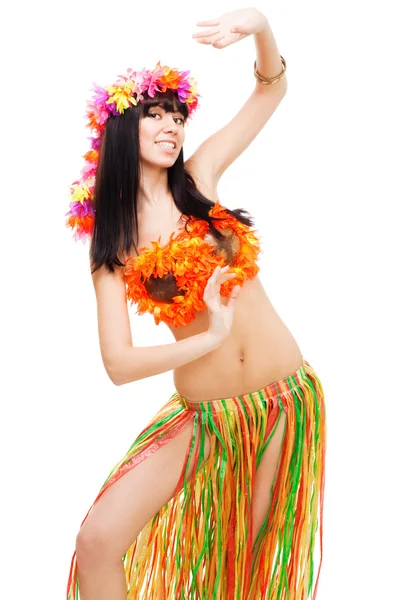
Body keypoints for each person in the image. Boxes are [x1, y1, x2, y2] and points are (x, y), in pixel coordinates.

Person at [65, 7, 327, 600]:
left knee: (245, 574)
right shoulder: (113, 242)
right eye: (154, 114)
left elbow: (272, 88)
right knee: (99, 542)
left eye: (177, 116)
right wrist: (207, 340)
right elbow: (117, 364)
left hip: (282, 403)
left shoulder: (201, 178)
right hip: (207, 417)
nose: (171, 126)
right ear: (118, 129)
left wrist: (259, 25)